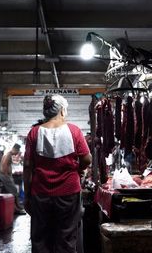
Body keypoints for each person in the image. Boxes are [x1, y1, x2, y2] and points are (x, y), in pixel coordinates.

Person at [23, 94, 92, 253]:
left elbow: (28, 166)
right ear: (62, 110)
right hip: (68, 193)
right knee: (66, 238)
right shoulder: (74, 131)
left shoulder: (34, 133)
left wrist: (27, 196)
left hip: (40, 194)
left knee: (40, 238)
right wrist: (79, 169)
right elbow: (87, 159)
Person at [0, 143, 26, 214]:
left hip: (5, 175)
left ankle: (18, 207)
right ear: (15, 149)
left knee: (14, 191)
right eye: (17, 151)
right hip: (5, 176)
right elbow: (4, 166)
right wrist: (7, 175)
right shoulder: (8, 155)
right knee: (13, 191)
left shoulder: (8, 154)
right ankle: (15, 209)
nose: (17, 153)